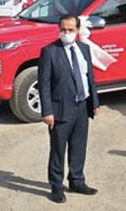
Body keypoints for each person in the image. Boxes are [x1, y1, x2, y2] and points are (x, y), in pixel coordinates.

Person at [38, 15, 100, 204]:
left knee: (78, 146)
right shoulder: (50, 51)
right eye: (63, 30)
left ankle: (77, 181)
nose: (66, 33)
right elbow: (44, 83)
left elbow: (90, 77)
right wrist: (47, 111)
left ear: (78, 30)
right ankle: (56, 186)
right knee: (58, 149)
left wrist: (95, 102)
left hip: (82, 106)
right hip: (60, 109)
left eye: (70, 30)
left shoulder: (84, 49)